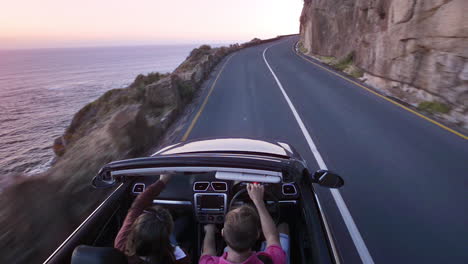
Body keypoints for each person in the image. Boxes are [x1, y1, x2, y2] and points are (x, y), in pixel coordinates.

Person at [200, 183, 289, 264]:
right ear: (258, 234)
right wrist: (259, 202)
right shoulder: (272, 260)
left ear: (223, 233)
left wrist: (209, 231)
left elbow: (207, 253)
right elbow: (272, 237)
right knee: (283, 226)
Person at [114, 174, 190, 264]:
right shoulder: (178, 257)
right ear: (163, 242)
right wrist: (162, 181)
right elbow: (138, 204)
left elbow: (137, 206)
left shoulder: (121, 245)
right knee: (186, 220)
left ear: (135, 229)